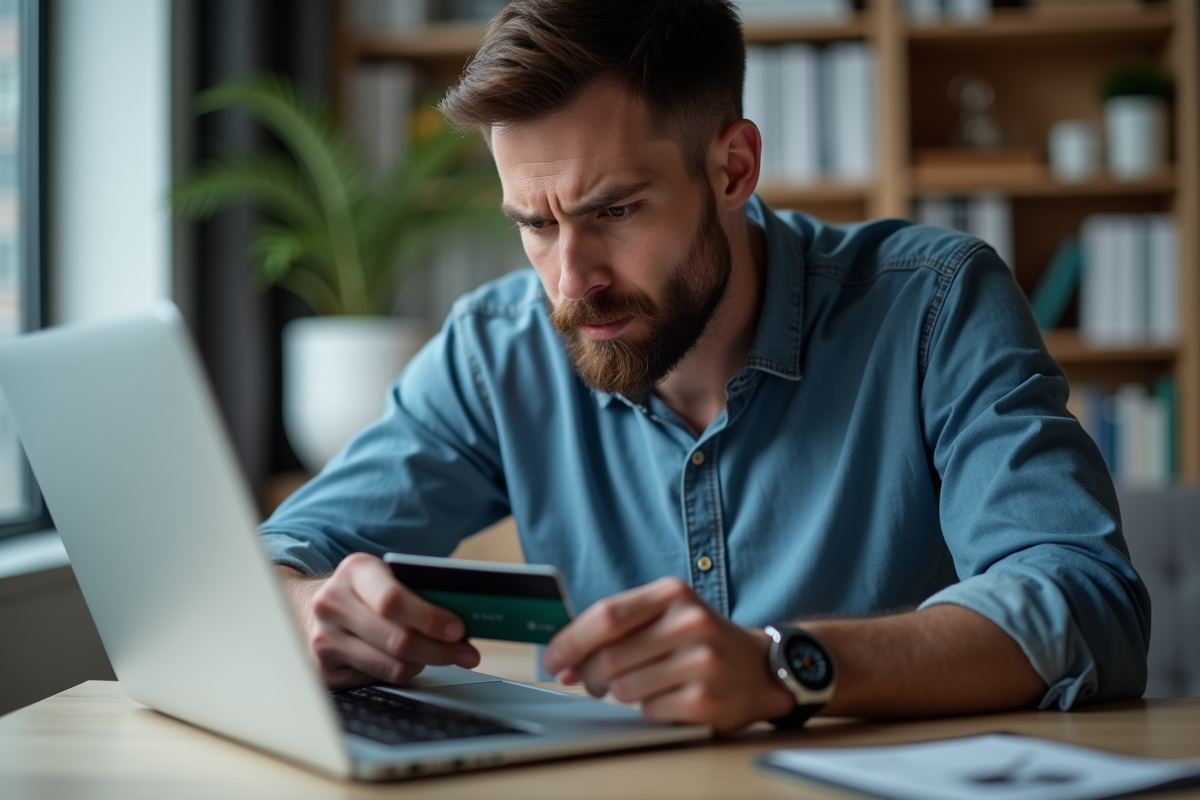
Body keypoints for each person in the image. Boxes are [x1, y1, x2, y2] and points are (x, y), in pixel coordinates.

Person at [263, 0, 1149, 732]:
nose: (571, 281)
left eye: (613, 211)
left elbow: (1084, 600)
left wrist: (786, 666)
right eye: (535, 224)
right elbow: (275, 558)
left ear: (733, 167)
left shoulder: (934, 306)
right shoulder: (495, 350)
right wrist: (315, 614)